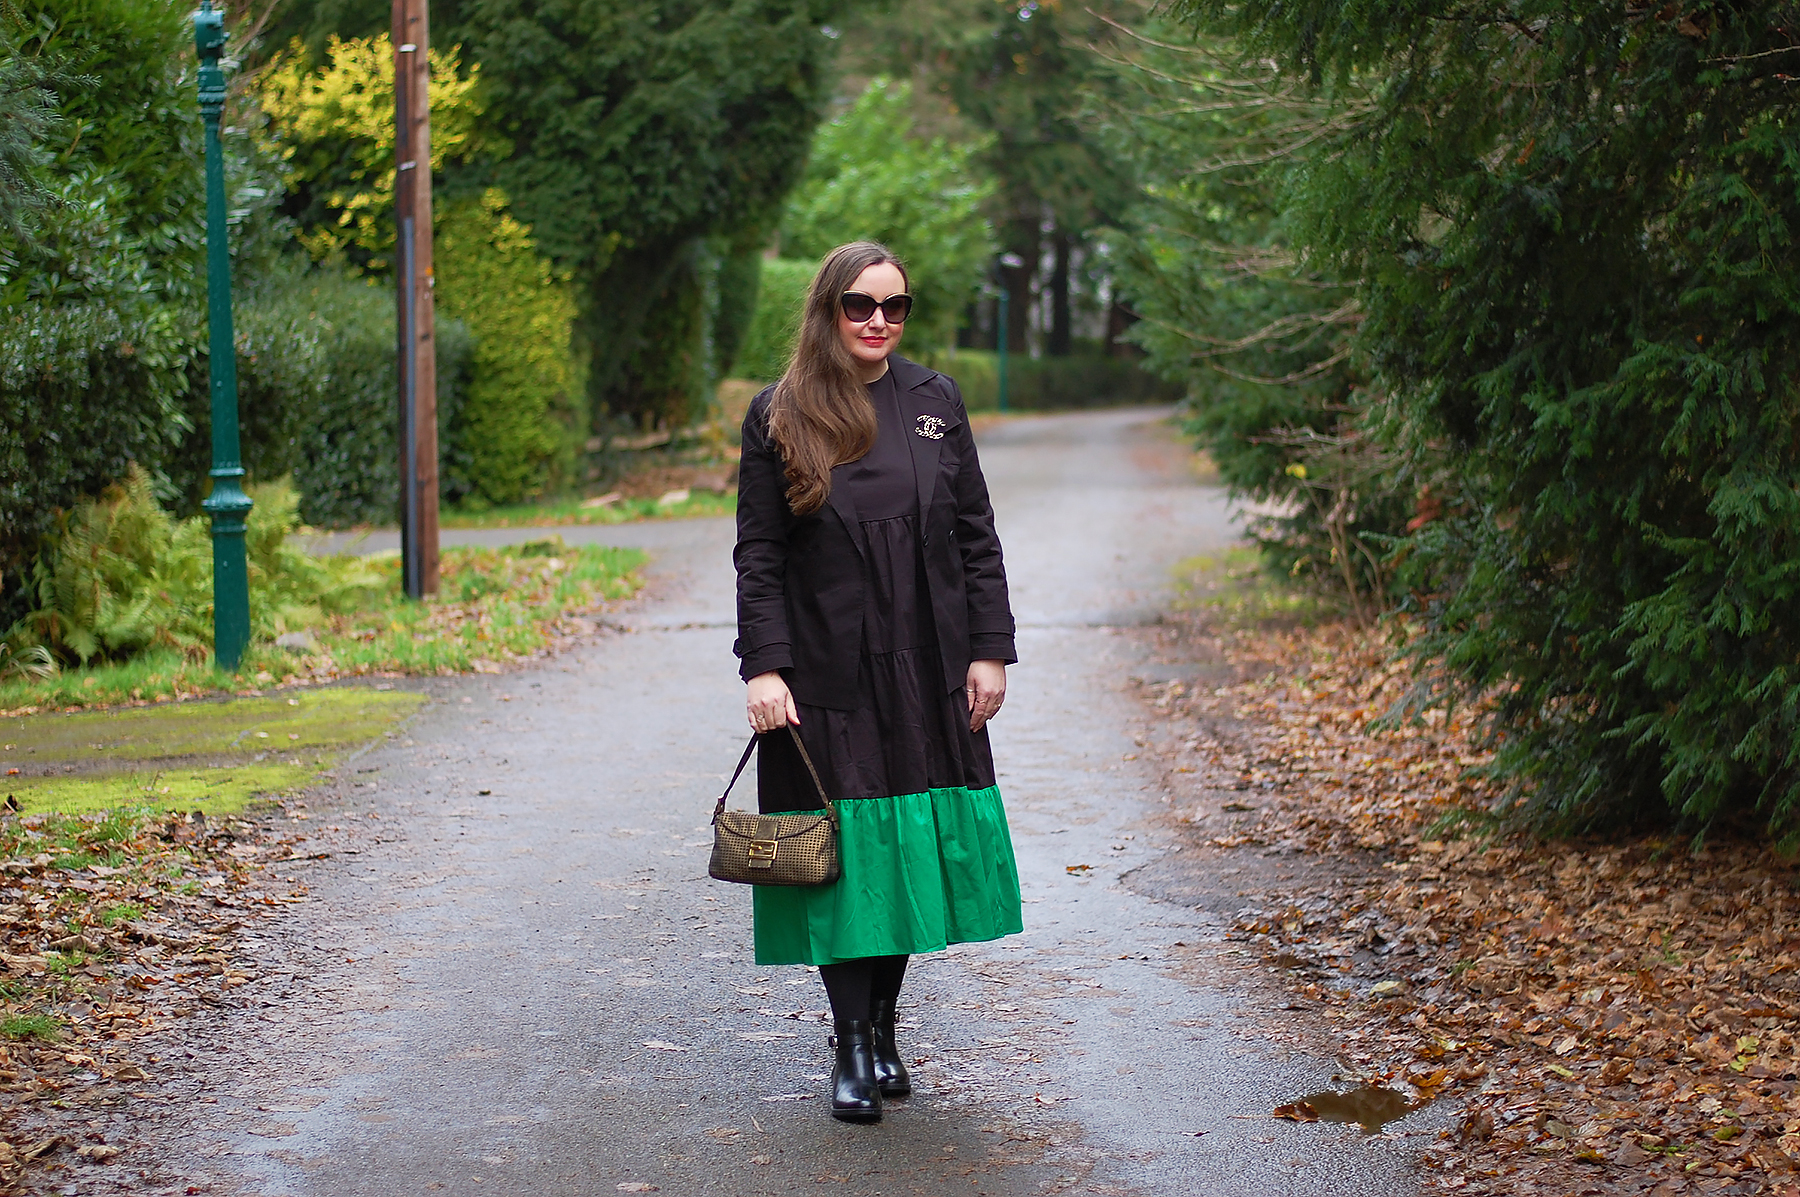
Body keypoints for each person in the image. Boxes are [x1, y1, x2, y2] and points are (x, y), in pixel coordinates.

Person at [733, 241, 1024, 1122]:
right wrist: (765, 665)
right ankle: (851, 1045)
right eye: (860, 306)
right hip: (825, 671)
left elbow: (976, 533)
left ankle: (887, 1023)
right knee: (844, 857)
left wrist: (989, 649)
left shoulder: (935, 401)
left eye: (895, 308)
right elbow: (760, 553)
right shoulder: (779, 413)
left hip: (928, 662)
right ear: (828, 310)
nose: (878, 323)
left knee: (904, 847)